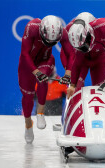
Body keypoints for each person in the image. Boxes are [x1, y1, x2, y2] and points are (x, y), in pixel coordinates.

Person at [18, 15, 74, 143]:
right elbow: (25, 54)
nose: (50, 44)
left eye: (53, 43)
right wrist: (35, 71)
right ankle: (28, 124)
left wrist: (68, 72)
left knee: (43, 79)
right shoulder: (31, 28)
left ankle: (40, 113)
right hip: (27, 63)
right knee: (27, 96)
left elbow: (70, 53)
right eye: (47, 41)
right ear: (42, 32)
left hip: (45, 59)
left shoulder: (63, 33)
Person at [59, 12, 96, 88]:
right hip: (79, 56)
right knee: (77, 82)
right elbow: (65, 52)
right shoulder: (69, 29)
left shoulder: (97, 27)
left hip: (94, 54)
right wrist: (68, 70)